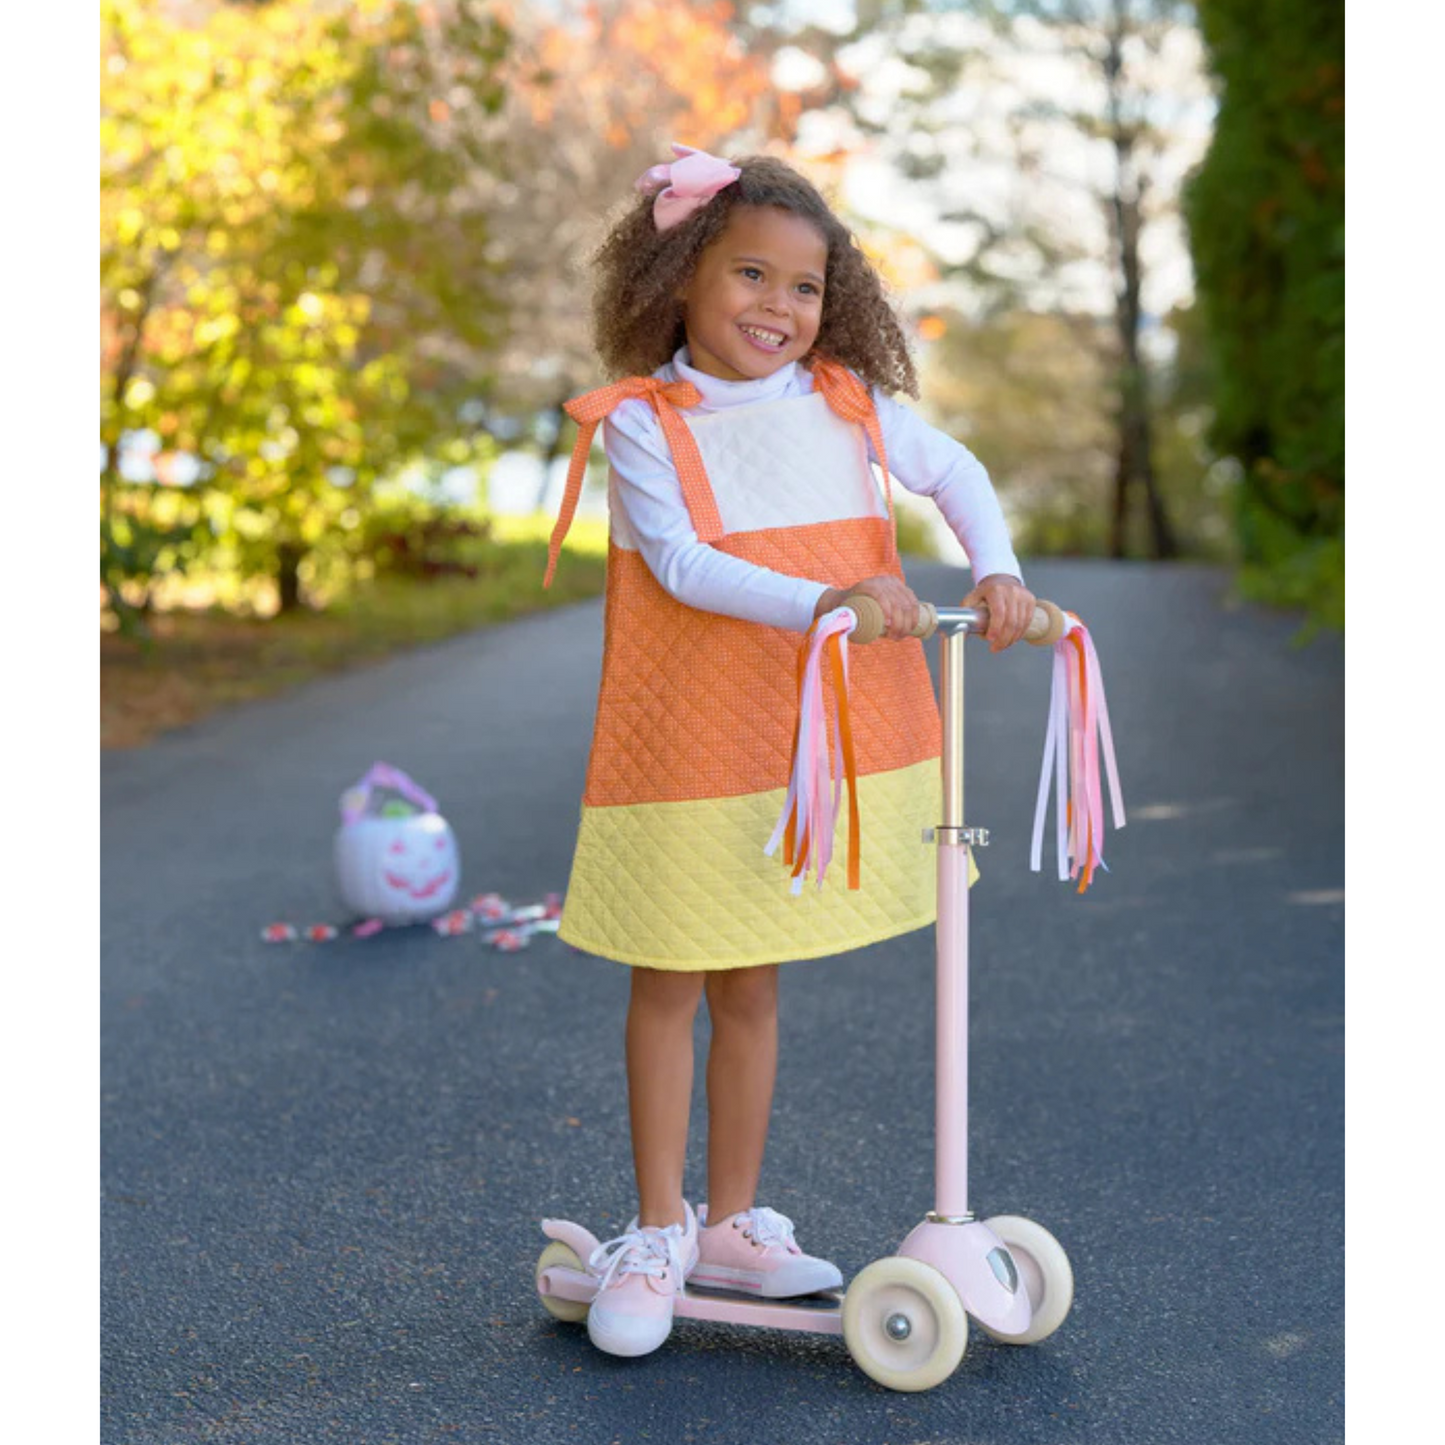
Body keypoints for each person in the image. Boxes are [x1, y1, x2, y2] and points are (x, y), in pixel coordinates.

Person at [543, 143, 1036, 1359]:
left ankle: (729, 1220)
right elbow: (683, 565)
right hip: (683, 734)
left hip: (801, 738)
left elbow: (957, 471)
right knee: (668, 971)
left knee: (753, 973)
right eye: (749, 275)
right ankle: (657, 1223)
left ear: (836, 300)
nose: (778, 306)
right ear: (677, 278)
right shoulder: (646, 424)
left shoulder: (848, 404)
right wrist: (829, 603)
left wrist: (997, 568)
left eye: (803, 286)